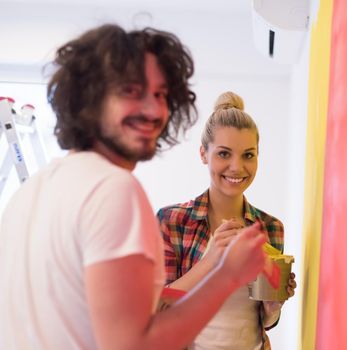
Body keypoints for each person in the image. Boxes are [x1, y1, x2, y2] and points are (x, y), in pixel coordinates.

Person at [0, 25, 268, 350]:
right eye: (131, 91)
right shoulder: (112, 190)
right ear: (90, 96)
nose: (154, 109)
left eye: (161, 94)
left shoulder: (30, 191)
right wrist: (226, 274)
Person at [157, 91, 296, 350]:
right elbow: (158, 312)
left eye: (248, 155)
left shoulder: (270, 228)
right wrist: (211, 260)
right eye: (224, 154)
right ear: (203, 154)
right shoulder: (172, 222)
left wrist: (273, 305)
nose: (236, 167)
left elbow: (264, 322)